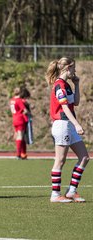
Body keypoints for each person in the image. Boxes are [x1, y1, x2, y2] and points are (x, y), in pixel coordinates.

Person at [45, 57, 90, 203]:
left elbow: (75, 102)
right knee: (60, 160)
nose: (75, 71)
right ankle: (55, 195)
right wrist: (77, 124)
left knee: (84, 157)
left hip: (68, 125)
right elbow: (64, 107)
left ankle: (71, 191)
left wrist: (77, 84)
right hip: (62, 124)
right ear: (67, 68)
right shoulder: (59, 85)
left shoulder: (67, 84)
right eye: (74, 68)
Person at [9, 87, 29, 160]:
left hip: (14, 119)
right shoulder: (19, 100)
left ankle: (23, 154)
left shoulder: (12, 100)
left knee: (20, 136)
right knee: (20, 136)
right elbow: (25, 111)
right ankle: (18, 154)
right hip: (20, 119)